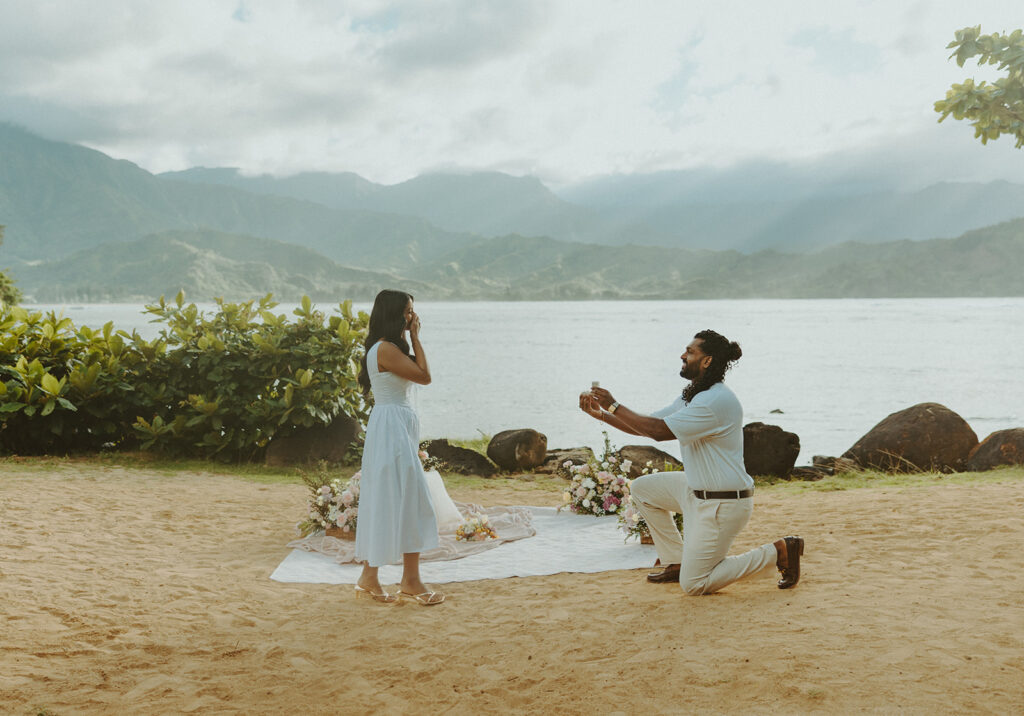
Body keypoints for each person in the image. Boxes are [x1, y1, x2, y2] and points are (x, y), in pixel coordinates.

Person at [579, 329, 803, 594]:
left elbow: (659, 432)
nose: (682, 355)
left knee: (695, 583)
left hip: (723, 502)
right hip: (698, 491)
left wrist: (613, 405)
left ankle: (778, 552)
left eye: (690, 351)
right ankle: (676, 561)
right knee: (643, 489)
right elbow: (648, 424)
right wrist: (602, 415)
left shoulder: (714, 401)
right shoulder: (694, 395)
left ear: (707, 360)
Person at [354, 289, 445, 606]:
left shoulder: (389, 347)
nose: (412, 316)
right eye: (408, 311)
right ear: (394, 314)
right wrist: (417, 337)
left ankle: (371, 579)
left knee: (395, 498)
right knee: (409, 499)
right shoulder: (385, 349)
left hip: (395, 426)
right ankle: (409, 581)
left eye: (413, 311)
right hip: (392, 429)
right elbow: (424, 376)